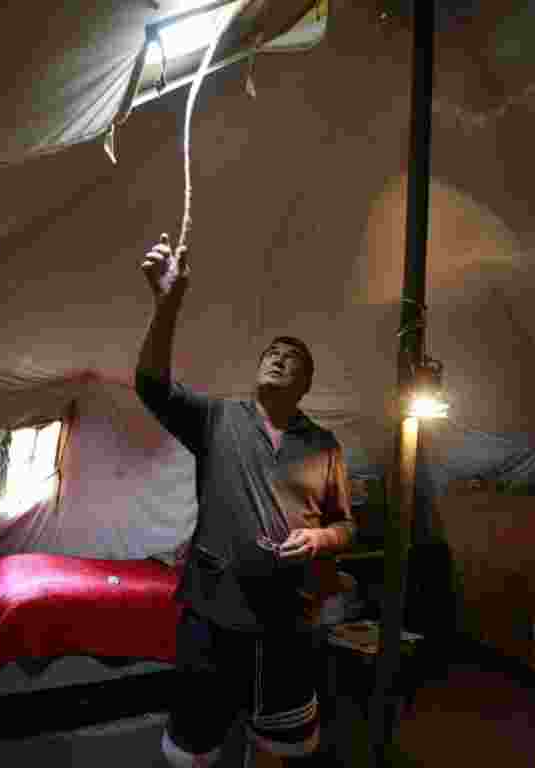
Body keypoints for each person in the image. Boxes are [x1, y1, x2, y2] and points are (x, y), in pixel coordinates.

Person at [136, 233, 355, 767]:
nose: (279, 359)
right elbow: (150, 385)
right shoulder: (218, 419)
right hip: (213, 617)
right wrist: (167, 307)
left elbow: (346, 526)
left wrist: (320, 537)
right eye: (272, 353)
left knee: (278, 744)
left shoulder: (324, 445)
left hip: (288, 625)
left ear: (306, 385)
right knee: (193, 749)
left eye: (292, 358)